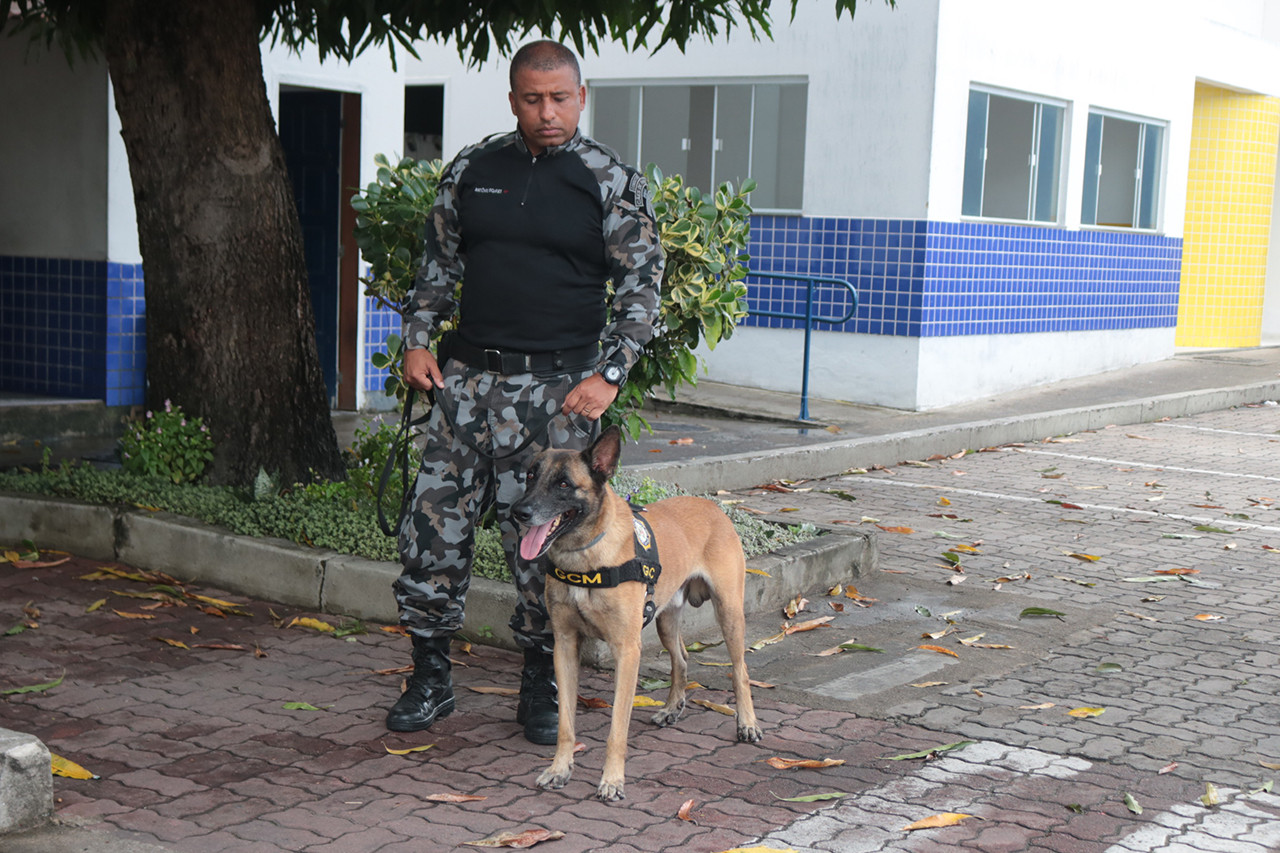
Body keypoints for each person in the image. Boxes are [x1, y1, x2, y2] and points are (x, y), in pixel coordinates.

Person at [386, 40, 664, 744]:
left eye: (560, 98)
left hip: (556, 395)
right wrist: (418, 338)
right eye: (533, 99)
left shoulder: (609, 181)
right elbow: (437, 265)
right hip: (466, 383)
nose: (547, 112)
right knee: (432, 532)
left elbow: (641, 290)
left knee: (538, 540)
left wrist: (608, 374)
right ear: (513, 100)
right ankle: (429, 677)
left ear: (581, 95)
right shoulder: (475, 169)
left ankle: (542, 683)